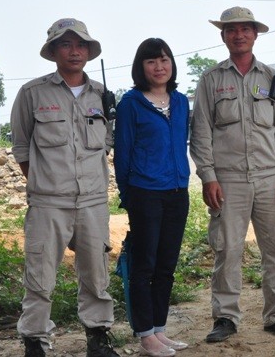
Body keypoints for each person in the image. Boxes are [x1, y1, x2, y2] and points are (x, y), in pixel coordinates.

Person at [190, 6, 275, 342]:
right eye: (231, 30)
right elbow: (201, 132)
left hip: (270, 178)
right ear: (223, 36)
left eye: (245, 29)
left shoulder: (272, 78)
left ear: (255, 34)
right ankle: (225, 318)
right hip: (228, 181)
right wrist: (208, 176)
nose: (238, 35)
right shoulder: (211, 80)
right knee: (227, 250)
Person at [11, 18, 119, 357]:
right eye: (66, 45)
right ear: (54, 51)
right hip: (48, 204)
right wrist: (45, 183)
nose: (74, 51)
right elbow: (22, 148)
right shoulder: (32, 93)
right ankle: (35, 342)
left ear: (88, 51)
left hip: (92, 202)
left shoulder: (102, 94)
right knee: (40, 276)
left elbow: (109, 141)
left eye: (80, 45)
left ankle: (98, 339)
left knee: (96, 275)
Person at [113, 38, 190, 356]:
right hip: (145, 193)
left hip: (177, 192)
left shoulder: (182, 101)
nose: (159, 67)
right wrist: (128, 194)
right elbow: (123, 153)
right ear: (140, 67)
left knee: (166, 265)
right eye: (151, 61)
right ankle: (145, 335)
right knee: (144, 265)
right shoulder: (131, 103)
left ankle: (159, 329)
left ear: (171, 64)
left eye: (164, 60)